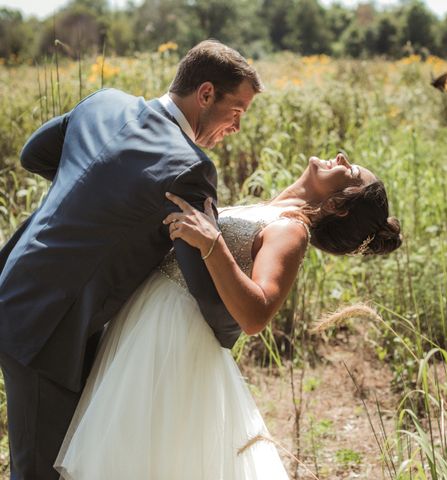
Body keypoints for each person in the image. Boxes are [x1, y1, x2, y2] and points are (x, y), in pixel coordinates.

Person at [0, 40, 263, 479]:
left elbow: (35, 153)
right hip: (46, 325)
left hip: (30, 294)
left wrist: (98, 196)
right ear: (205, 94)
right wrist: (238, 322)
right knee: (39, 471)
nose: (237, 126)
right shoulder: (190, 169)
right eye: (237, 110)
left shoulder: (105, 102)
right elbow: (206, 293)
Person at [54, 152, 402, 479]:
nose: (342, 158)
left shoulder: (291, 230)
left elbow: (256, 315)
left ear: (338, 207)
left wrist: (212, 244)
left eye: (351, 171)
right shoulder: (273, 210)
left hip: (173, 334)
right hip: (146, 318)